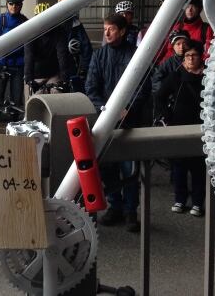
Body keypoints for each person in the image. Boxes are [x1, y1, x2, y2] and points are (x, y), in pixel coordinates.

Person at [86, 13, 150, 232]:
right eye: (105, 28)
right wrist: (104, 109)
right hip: (105, 122)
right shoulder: (99, 56)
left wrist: (126, 109)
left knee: (129, 167)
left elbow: (142, 87)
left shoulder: (135, 55)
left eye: (111, 28)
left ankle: (131, 211)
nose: (107, 32)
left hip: (129, 122)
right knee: (108, 167)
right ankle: (116, 206)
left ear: (122, 31)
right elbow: (91, 88)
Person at [154, 40, 206, 217]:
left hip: (201, 127)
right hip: (179, 125)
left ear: (201, 57)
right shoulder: (176, 76)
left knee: (198, 167)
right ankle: (180, 199)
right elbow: (159, 96)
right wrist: (168, 116)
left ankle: (198, 202)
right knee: (179, 167)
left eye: (194, 55)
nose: (191, 59)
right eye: (187, 56)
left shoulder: (208, 77)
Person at [24, 3, 74, 101]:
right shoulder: (30, 33)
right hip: (36, 76)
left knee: (58, 99)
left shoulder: (58, 31)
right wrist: (29, 79)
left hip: (53, 74)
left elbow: (62, 55)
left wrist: (64, 79)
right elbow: (28, 57)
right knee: (34, 104)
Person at [157, 0, 213, 64]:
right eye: (187, 6)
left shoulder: (206, 28)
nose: (189, 10)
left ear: (199, 9)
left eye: (193, 7)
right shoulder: (178, 26)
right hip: (172, 67)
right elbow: (169, 50)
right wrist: (162, 66)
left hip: (194, 68)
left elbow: (209, 54)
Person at [58, 0, 92, 93]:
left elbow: (86, 48)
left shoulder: (76, 23)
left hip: (71, 67)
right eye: (59, 2)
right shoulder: (52, 23)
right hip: (55, 68)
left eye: (65, 2)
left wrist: (83, 69)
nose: (62, 5)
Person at [151, 29, 189, 98]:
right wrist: (167, 94)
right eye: (178, 44)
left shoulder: (193, 59)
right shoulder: (167, 63)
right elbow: (156, 81)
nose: (181, 47)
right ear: (173, 46)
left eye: (184, 43)